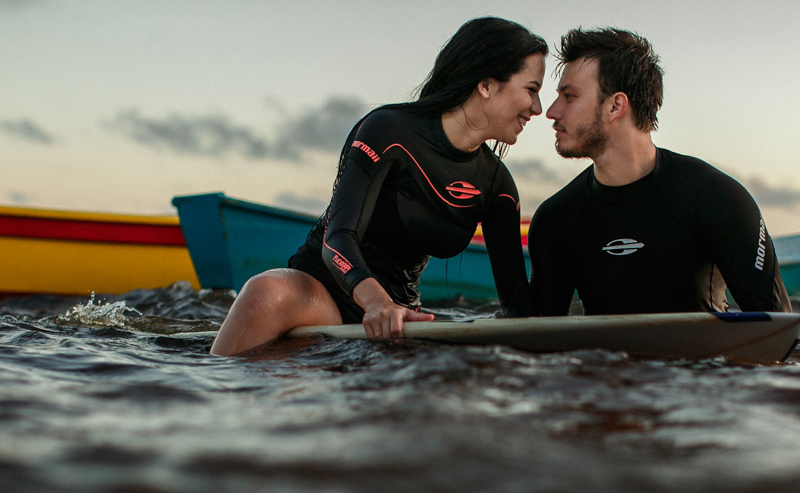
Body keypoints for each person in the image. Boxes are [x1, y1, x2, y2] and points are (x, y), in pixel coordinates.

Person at [210, 18, 547, 356]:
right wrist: (376, 304)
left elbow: (515, 298)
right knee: (265, 291)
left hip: (398, 316)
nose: (538, 108)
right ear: (486, 84)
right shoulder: (389, 132)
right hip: (323, 294)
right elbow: (338, 238)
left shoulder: (497, 185)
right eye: (531, 90)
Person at [528, 28, 791, 317]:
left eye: (569, 96)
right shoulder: (555, 220)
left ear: (616, 106)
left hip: (702, 349)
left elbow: (778, 327)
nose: (551, 111)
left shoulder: (716, 199)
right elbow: (539, 338)